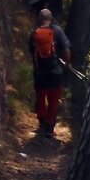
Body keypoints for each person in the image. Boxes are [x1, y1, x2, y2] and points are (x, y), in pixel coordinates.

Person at [29, 9, 72, 137]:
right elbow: (67, 50)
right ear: (51, 19)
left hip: (39, 73)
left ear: (39, 19)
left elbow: (31, 51)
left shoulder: (33, 33)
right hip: (55, 73)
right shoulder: (57, 31)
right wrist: (67, 63)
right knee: (53, 100)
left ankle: (41, 120)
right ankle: (49, 125)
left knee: (40, 97)